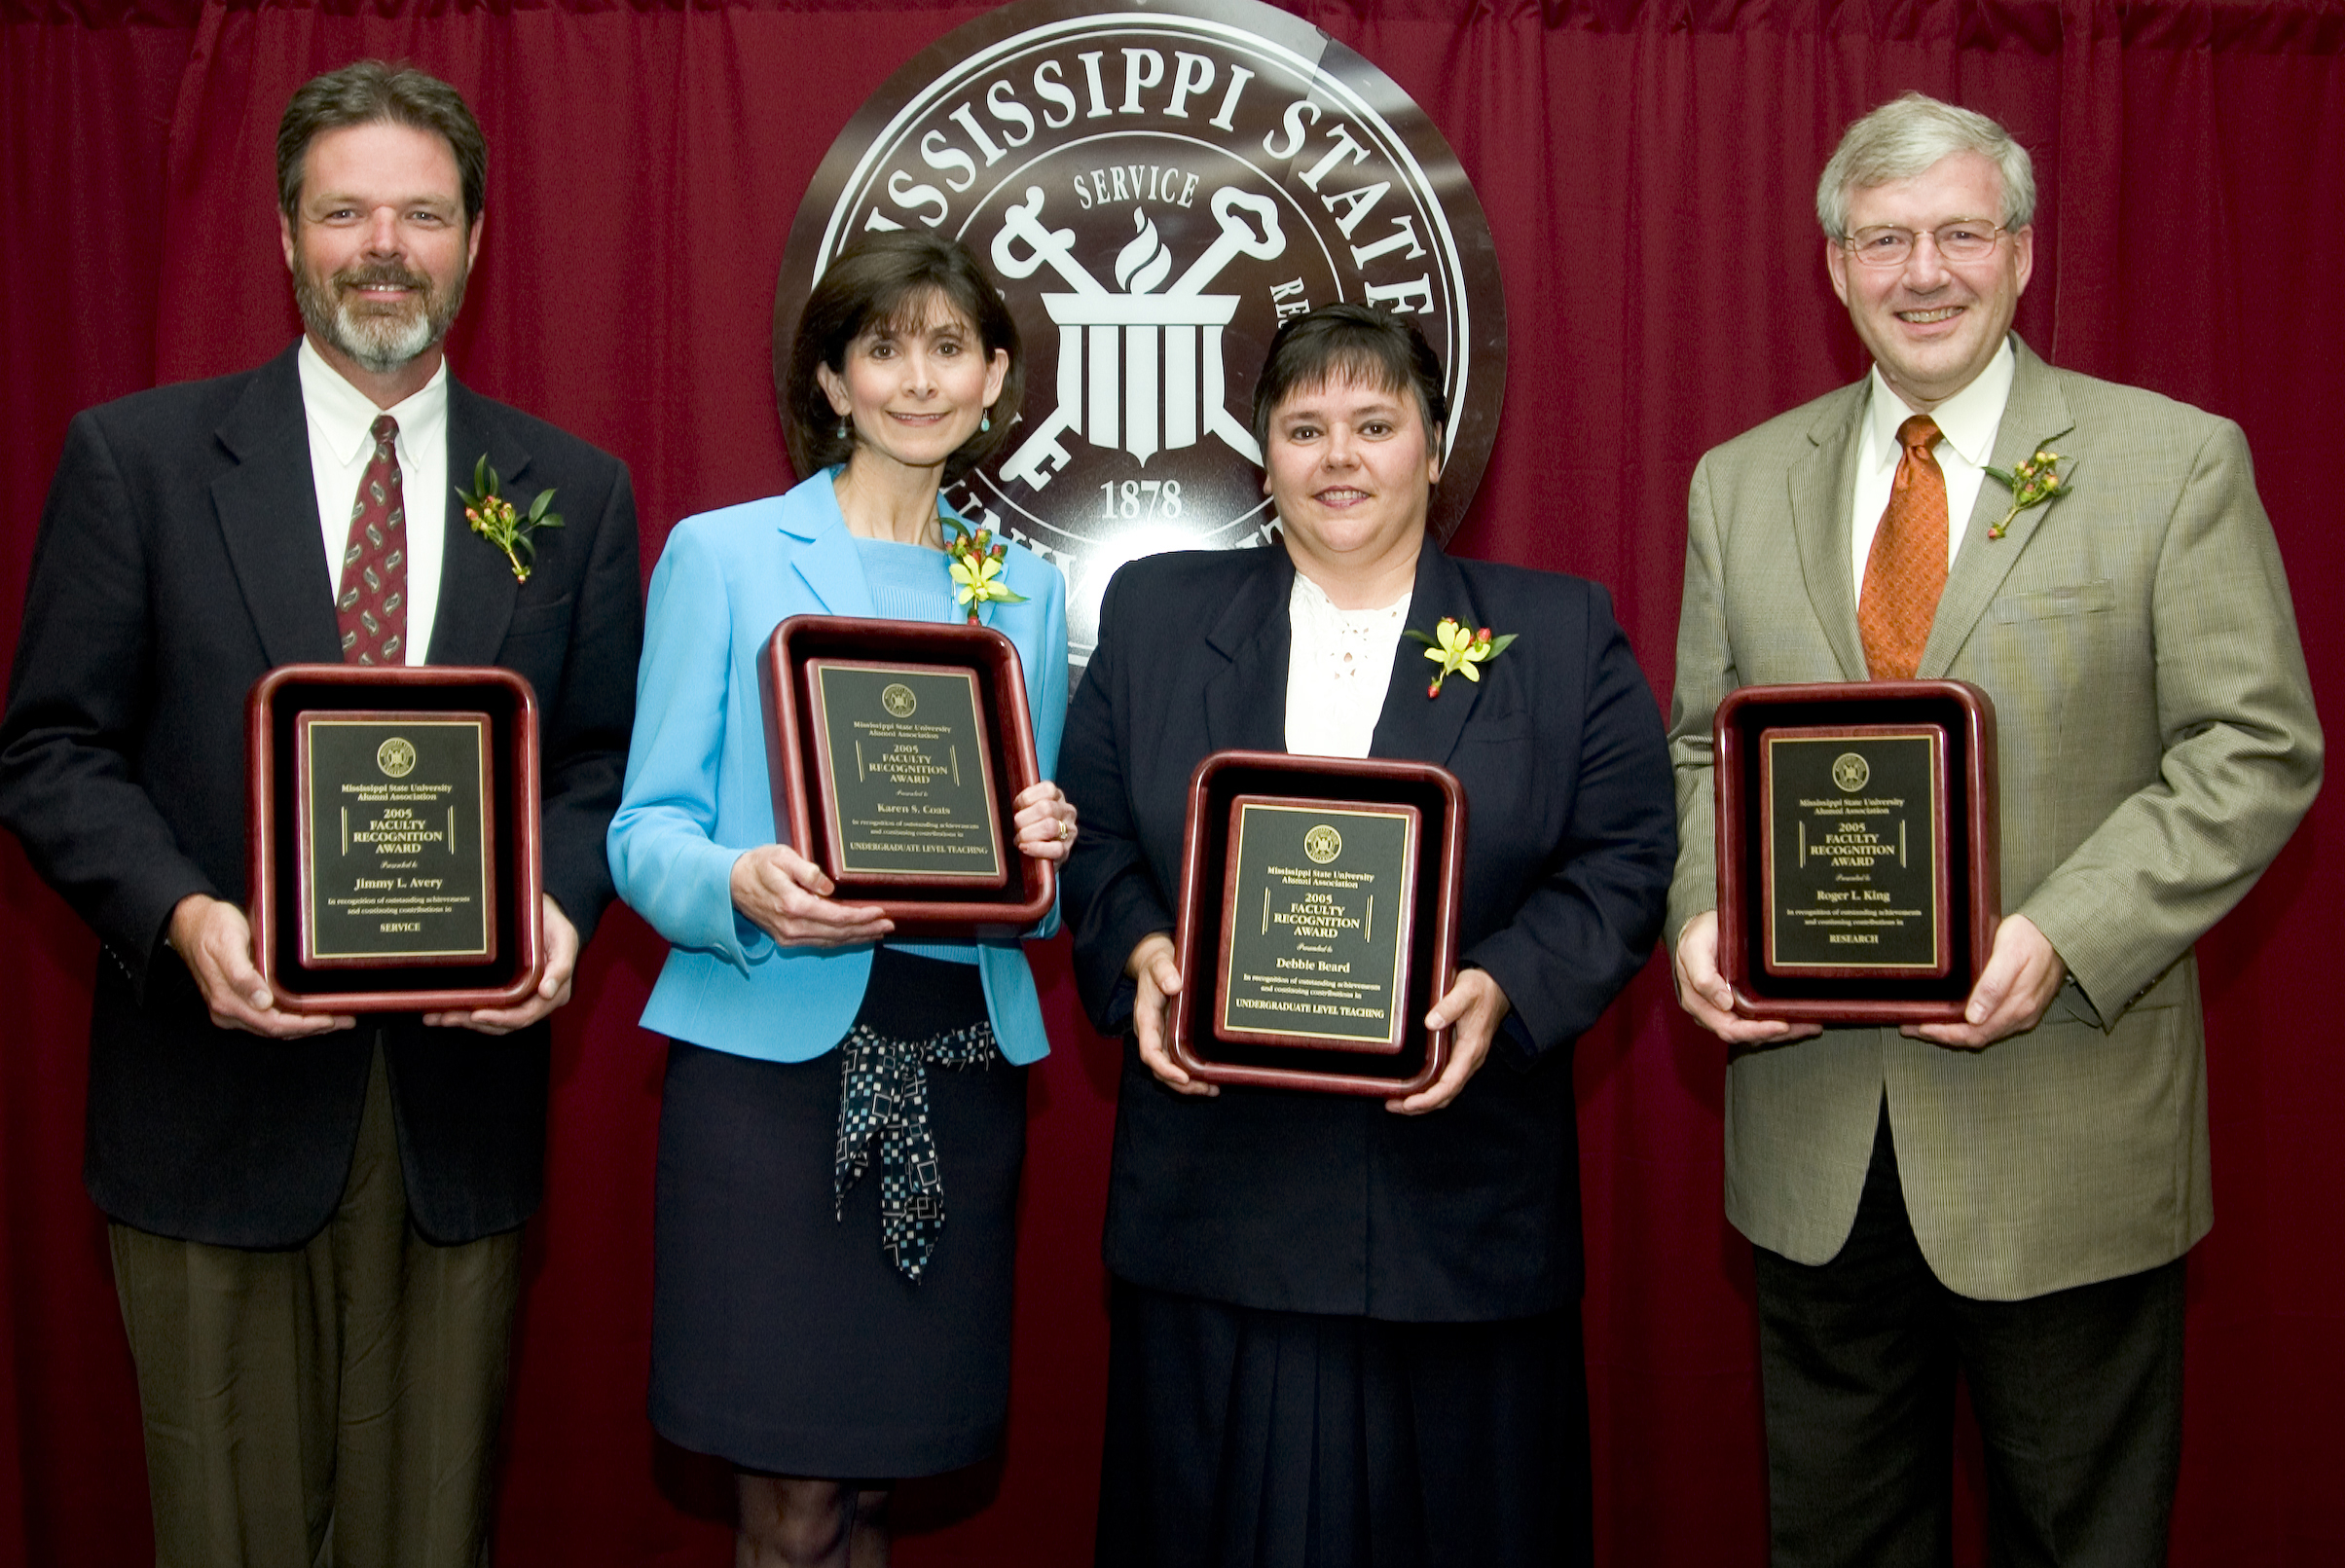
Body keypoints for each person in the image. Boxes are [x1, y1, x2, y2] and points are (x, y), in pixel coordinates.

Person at [1666, 91, 2322, 1566]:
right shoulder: (1737, 482)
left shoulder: (2170, 461)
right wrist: (1704, 917)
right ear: (1832, 267)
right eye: (1883, 239)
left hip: (2062, 1131)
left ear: (2022, 254)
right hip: (1813, 1140)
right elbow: (1701, 751)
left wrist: (2064, 934)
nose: (1924, 271)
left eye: (1961, 232)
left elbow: (2254, 747)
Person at [0, 60, 641, 1567]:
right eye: (344, 209)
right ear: (284, 234)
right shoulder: (136, 462)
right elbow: (48, 747)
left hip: (455, 1117)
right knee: (225, 1531)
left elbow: (604, 763)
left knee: (430, 1533)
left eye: (421, 213)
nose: (382, 245)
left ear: (475, 241)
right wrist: (181, 915)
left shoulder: (575, 488)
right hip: (206, 1098)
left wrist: (551, 906)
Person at [1058, 303, 1674, 1567]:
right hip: (1215, 1210)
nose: (1339, 458)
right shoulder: (1157, 615)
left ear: (1433, 448)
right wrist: (1139, 956)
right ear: (1263, 457)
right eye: (1304, 429)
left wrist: (1506, 983)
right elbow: (1100, 846)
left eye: (1374, 425)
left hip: (1459, 1222)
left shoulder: (1555, 634)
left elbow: (1621, 861)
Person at [605, 230, 1076, 1568]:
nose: (914, 381)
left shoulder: (1027, 590)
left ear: (994, 379)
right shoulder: (725, 554)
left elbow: (1025, 892)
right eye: (882, 348)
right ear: (831, 378)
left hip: (961, 1066)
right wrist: (739, 885)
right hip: (768, 1071)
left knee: (878, 1485)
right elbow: (645, 833)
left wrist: (1046, 850)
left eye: (946, 349)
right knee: (793, 1501)